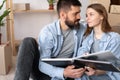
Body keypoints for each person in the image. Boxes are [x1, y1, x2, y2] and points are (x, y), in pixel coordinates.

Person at [14, 0, 87, 80]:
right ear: (63, 15)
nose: (79, 17)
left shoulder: (82, 29)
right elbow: (42, 64)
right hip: (44, 71)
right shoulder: (48, 32)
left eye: (79, 12)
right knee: (28, 41)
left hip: (69, 71)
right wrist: (62, 72)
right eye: (75, 14)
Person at [77, 3, 120, 80]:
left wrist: (96, 72)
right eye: (86, 15)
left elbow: (115, 65)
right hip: (88, 75)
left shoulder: (114, 38)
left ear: (102, 16)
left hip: (109, 76)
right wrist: (83, 56)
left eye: (91, 14)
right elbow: (81, 52)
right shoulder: (87, 37)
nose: (87, 18)